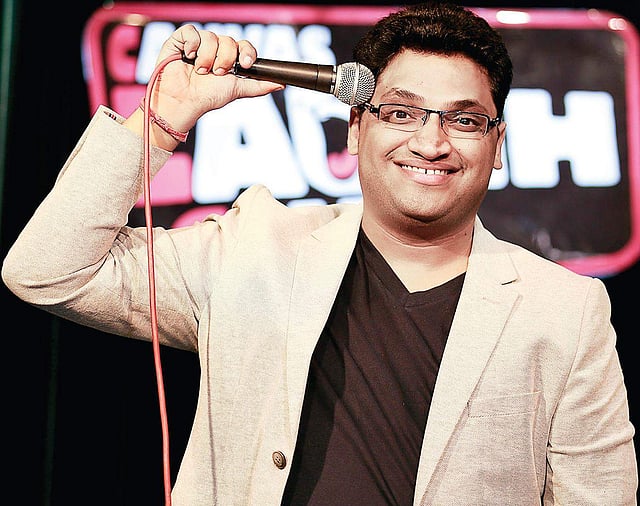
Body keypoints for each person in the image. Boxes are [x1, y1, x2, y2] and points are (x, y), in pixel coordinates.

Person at [2, 2, 637, 504]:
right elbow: (47, 271)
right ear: (356, 129)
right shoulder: (251, 249)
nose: (430, 142)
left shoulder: (565, 310)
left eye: (464, 120)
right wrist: (163, 117)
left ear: (498, 145)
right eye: (401, 113)